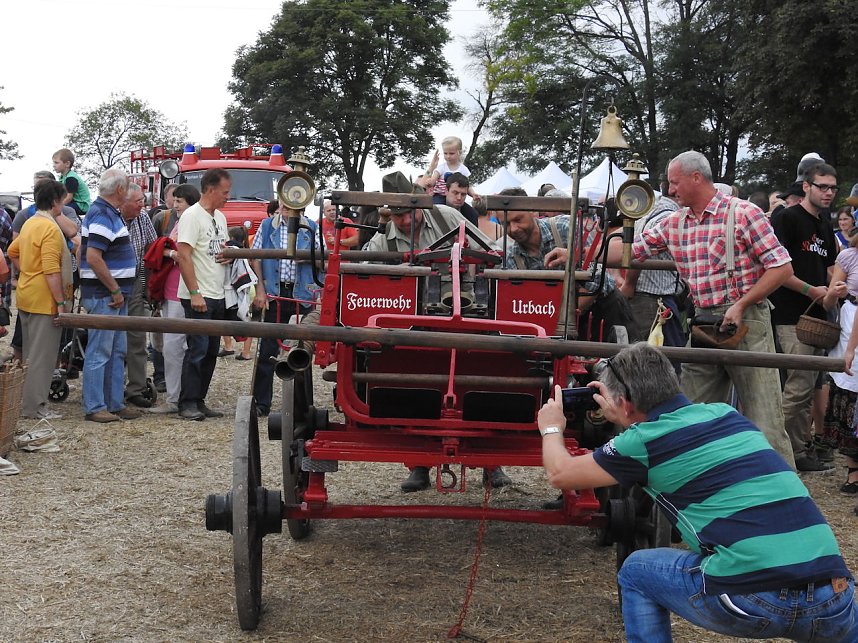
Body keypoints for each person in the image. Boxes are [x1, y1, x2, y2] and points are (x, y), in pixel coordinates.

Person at [536, 342, 858, 643]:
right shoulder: (726, 415)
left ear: (624, 403)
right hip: (835, 596)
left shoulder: (641, 443)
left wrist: (552, 426)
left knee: (635, 571)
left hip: (754, 599)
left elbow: (560, 473)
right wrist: (624, 417)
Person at [632, 150, 796, 467]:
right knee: (689, 415)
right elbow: (631, 249)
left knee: (765, 421)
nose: (670, 190)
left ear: (697, 177)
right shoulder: (674, 222)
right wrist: (579, 251)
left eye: (674, 182)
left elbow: (782, 268)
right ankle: (696, 487)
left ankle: (784, 505)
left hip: (747, 322)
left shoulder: (744, 213)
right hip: (704, 324)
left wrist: (741, 304)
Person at [362, 171, 510, 491]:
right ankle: (420, 464)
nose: (401, 222)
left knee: (482, 375)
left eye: (406, 213)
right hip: (414, 322)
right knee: (417, 382)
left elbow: (493, 250)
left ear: (422, 204)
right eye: (395, 215)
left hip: (467, 311)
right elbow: (363, 273)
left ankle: (490, 464)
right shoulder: (383, 239)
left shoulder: (447, 218)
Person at [769, 162, 844, 472]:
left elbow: (829, 267)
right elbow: (774, 268)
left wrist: (837, 287)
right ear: (806, 187)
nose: (827, 193)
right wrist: (813, 291)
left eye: (832, 188)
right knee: (798, 387)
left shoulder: (825, 224)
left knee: (806, 383)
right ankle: (770, 453)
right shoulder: (787, 218)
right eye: (822, 186)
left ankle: (798, 451)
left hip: (818, 316)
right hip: (789, 313)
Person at [502, 208, 634, 343]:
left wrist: (566, 314)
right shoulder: (512, 257)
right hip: (555, 324)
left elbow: (598, 276)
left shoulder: (565, 227)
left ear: (533, 213)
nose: (513, 229)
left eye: (518, 220)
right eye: (506, 224)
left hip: (604, 311)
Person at [79, 168, 142, 423]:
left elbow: (83, 253)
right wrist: (114, 288)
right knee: (100, 351)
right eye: (127, 186)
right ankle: (95, 406)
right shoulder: (103, 215)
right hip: (106, 294)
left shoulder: (107, 213)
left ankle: (113, 403)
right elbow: (93, 257)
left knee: (116, 350)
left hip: (113, 294)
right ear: (119, 190)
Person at [7, 180, 72, 420]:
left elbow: (13, 251)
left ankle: (29, 403)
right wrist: (61, 302)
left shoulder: (31, 223)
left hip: (26, 295)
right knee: (42, 357)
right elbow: (51, 270)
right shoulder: (50, 228)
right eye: (63, 199)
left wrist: (26, 272)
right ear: (55, 201)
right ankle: (35, 407)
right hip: (44, 300)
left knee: (30, 354)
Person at [250, 201, 319, 417]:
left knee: (302, 350)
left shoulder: (312, 228)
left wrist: (307, 256)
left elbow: (323, 260)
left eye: (293, 205)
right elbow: (256, 257)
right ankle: (262, 402)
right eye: (285, 205)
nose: (288, 209)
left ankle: (301, 406)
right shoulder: (268, 225)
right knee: (267, 349)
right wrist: (260, 289)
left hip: (303, 293)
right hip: (275, 292)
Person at [174, 168, 231, 421]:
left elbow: (220, 247)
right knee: (197, 349)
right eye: (225, 192)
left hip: (217, 291)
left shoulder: (220, 217)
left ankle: (199, 399)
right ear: (210, 189)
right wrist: (194, 292)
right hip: (199, 293)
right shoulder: (191, 216)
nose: (228, 197)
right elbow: (183, 254)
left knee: (210, 351)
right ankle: (186, 402)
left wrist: (228, 253)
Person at [147, 184, 200, 415]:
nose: (175, 205)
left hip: (185, 289)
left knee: (176, 345)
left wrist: (171, 253)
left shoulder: (190, 222)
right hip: (173, 289)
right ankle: (175, 396)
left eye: (179, 201)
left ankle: (178, 397)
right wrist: (169, 253)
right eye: (175, 200)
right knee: (172, 345)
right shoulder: (178, 222)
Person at [121, 183, 157, 408]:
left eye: (143, 200)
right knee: (111, 341)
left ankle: (135, 387)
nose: (142, 205)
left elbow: (152, 248)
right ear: (122, 202)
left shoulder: (143, 218)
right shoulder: (110, 217)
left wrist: (150, 286)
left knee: (137, 337)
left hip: (135, 283)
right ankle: (111, 390)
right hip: (111, 284)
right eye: (138, 201)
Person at [222, 225, 255, 361]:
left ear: (232, 238)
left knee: (224, 318)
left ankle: (228, 346)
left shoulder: (229, 250)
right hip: (249, 288)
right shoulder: (247, 252)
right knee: (249, 320)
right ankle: (246, 352)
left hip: (233, 288)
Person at [426, 136, 471, 205]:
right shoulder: (441, 168)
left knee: (472, 213)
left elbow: (467, 186)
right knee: (437, 209)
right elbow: (433, 179)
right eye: (445, 153)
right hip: (440, 196)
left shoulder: (463, 170)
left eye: (451, 153)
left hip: (457, 198)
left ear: (459, 152)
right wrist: (430, 182)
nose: (448, 156)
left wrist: (473, 194)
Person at [52, 148, 91, 218]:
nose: (53, 165)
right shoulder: (63, 177)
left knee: (59, 211)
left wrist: (57, 206)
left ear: (67, 164)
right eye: (53, 162)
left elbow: (68, 197)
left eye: (56, 163)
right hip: (73, 202)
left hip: (81, 205)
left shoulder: (71, 178)